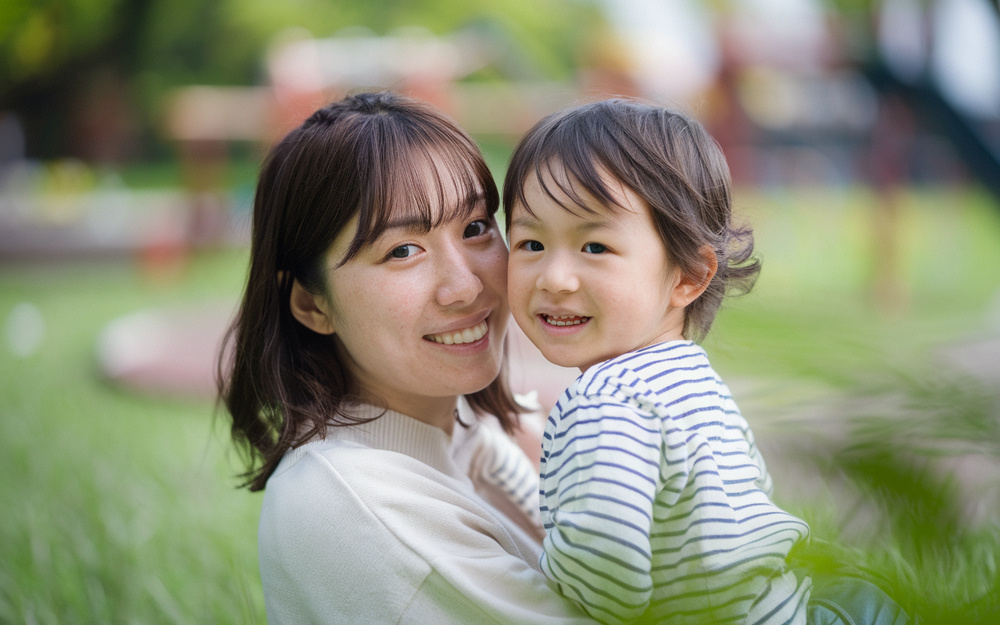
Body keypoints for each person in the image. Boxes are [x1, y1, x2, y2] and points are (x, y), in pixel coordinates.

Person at [503, 99, 911, 625]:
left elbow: (606, 581)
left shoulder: (603, 401)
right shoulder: (691, 376)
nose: (555, 278)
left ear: (688, 277)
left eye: (595, 246)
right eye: (531, 242)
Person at [218, 91, 594, 624]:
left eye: (476, 228)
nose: (465, 287)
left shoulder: (464, 432)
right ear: (310, 302)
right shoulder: (354, 504)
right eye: (401, 251)